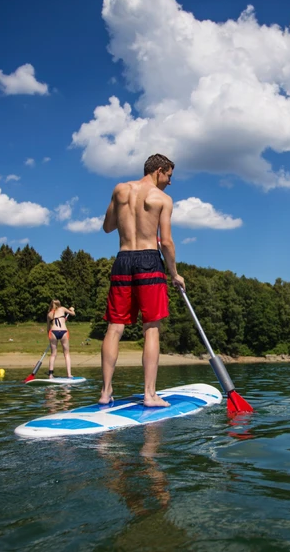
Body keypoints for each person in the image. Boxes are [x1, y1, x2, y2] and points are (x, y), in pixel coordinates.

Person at [99, 153, 185, 407]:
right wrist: (174, 273)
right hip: (149, 261)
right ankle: (149, 394)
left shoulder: (120, 190)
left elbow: (108, 227)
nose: (170, 182)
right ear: (159, 170)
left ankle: (105, 392)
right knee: (151, 328)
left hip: (123, 259)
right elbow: (166, 242)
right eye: (169, 175)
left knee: (115, 327)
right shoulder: (163, 199)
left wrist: (130, 217)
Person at [47, 299, 75, 378]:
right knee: (66, 354)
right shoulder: (62, 309)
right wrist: (72, 310)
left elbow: (48, 327)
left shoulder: (49, 314)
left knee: (53, 354)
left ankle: (50, 374)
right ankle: (69, 374)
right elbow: (73, 314)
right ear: (59, 304)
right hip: (63, 331)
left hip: (53, 332)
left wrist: (49, 337)